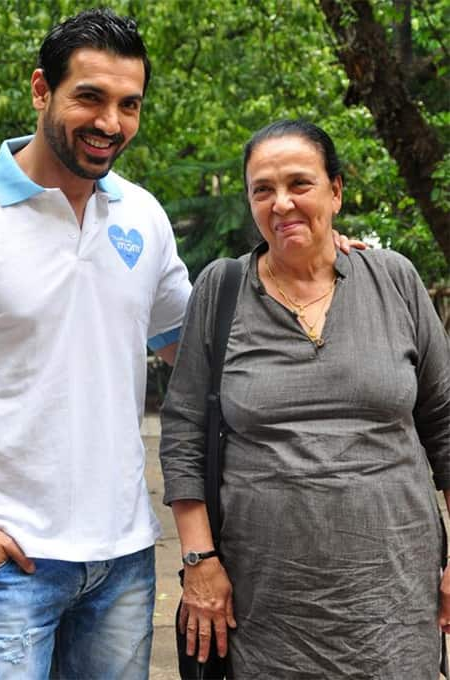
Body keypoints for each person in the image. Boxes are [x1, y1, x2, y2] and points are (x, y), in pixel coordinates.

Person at [0, 9, 191, 679]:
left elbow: (190, 351)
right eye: (91, 97)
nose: (111, 121)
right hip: (3, 566)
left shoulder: (144, 217)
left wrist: (305, 267)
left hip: (124, 557)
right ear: (41, 90)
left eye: (128, 104)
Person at [159, 119, 450, 679]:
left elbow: (443, 423)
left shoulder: (394, 280)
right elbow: (184, 432)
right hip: (264, 602)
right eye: (262, 189)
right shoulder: (221, 291)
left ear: (336, 191)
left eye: (301, 184)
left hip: (393, 595)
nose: (282, 203)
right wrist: (198, 562)